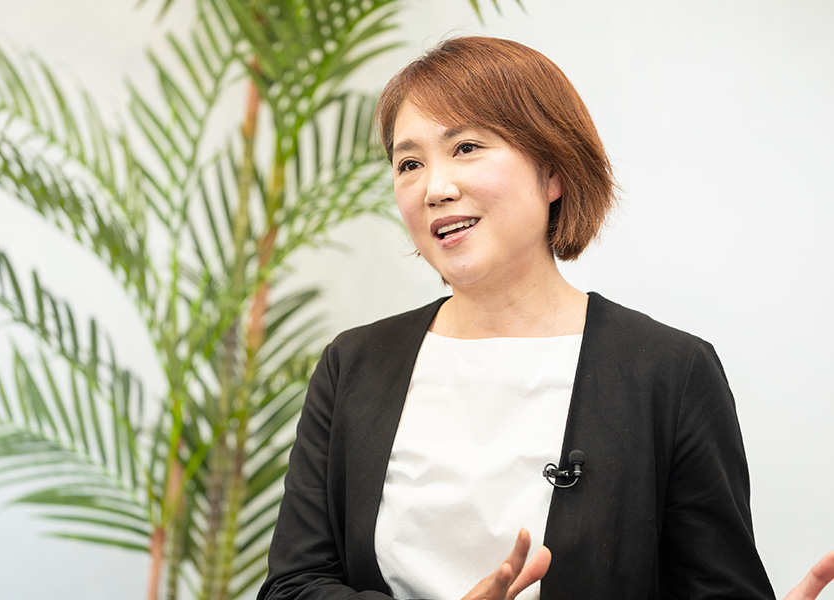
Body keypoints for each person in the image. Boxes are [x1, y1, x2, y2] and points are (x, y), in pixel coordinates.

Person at [258, 36, 833, 599]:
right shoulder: (353, 365)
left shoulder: (669, 372)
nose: (435, 188)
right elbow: (292, 584)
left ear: (553, 171)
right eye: (409, 162)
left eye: (467, 147)